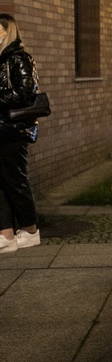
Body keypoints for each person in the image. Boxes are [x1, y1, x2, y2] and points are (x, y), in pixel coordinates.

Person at [0, 14, 40, 253]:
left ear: (6, 32)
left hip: (13, 130)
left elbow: (25, 94)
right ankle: (6, 234)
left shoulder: (19, 58)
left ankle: (31, 230)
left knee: (15, 181)